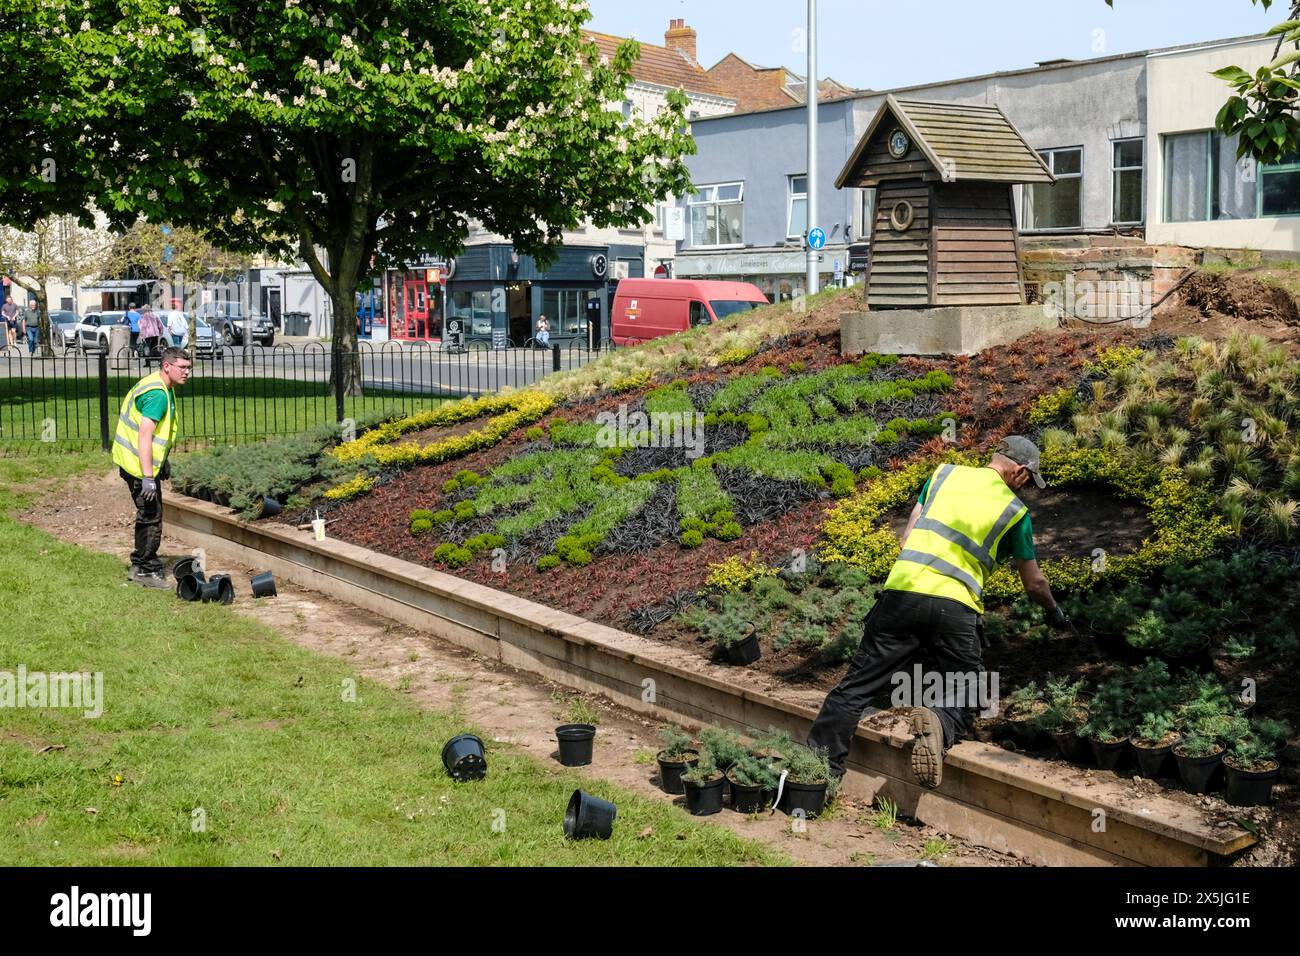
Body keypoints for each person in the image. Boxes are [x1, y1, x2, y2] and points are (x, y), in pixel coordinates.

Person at [807, 436, 1070, 789]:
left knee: (855, 689)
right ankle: (939, 721)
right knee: (973, 687)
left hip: (901, 593)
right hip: (954, 607)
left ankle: (814, 779)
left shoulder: (944, 474)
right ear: (1020, 471)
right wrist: (1056, 612)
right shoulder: (1015, 512)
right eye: (1028, 479)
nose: (1025, 487)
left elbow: (908, 536)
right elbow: (1034, 584)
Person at [112, 347, 192, 588]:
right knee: (151, 515)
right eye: (183, 367)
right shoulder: (158, 394)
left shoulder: (158, 384)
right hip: (138, 467)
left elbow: (154, 434)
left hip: (134, 462)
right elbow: (145, 436)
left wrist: (162, 460)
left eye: (189, 368)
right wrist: (148, 476)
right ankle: (146, 570)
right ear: (167, 366)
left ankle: (138, 563)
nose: (187, 372)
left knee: (148, 513)